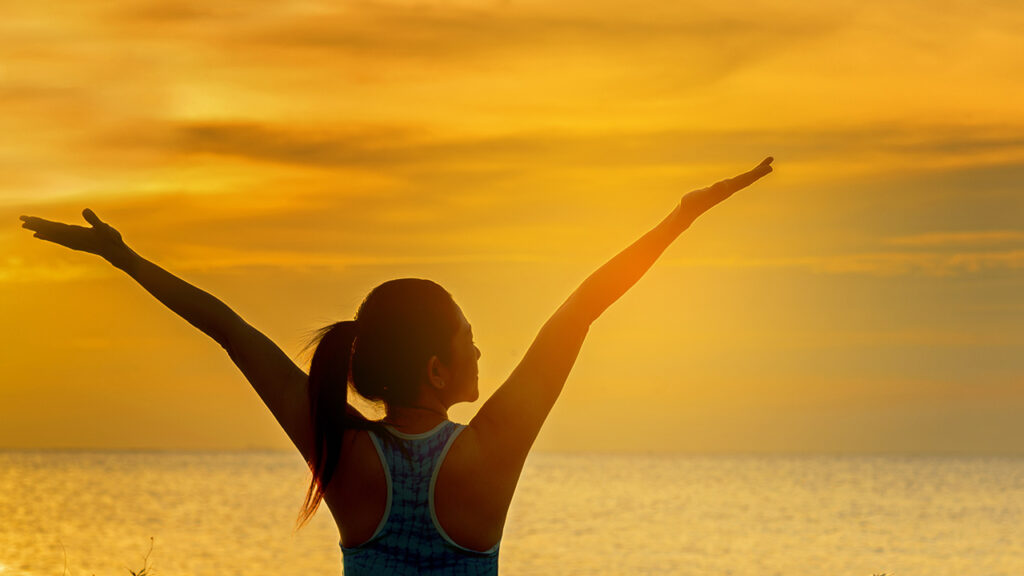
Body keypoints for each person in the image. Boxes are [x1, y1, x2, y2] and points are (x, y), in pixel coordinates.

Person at [20, 157, 773, 575]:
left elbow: (228, 329)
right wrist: (682, 217)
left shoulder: (345, 455)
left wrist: (123, 259)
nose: (483, 352)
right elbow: (581, 311)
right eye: (468, 340)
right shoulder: (488, 454)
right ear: (437, 372)